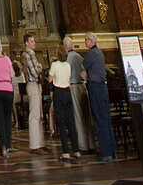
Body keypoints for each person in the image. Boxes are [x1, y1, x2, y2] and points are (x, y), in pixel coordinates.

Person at [83, 33, 116, 162]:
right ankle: (111, 150)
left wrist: (84, 73)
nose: (85, 42)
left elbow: (83, 68)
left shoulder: (91, 54)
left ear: (90, 41)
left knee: (99, 118)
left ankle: (106, 152)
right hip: (103, 87)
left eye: (86, 40)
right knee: (106, 118)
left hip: (96, 87)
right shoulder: (100, 53)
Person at [63, 36, 95, 153]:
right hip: (83, 86)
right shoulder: (79, 56)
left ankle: (83, 146)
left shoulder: (68, 59)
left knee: (78, 117)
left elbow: (67, 75)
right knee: (87, 116)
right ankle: (91, 144)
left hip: (74, 87)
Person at [48, 46, 80, 160]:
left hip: (58, 93)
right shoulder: (67, 65)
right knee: (71, 122)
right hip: (67, 92)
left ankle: (66, 151)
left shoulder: (54, 65)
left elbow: (50, 79)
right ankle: (76, 150)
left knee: (61, 123)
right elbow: (69, 80)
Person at [21, 32, 47, 154]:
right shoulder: (27, 55)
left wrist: (39, 68)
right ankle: (34, 144)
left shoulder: (33, 55)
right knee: (34, 116)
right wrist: (39, 68)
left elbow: (39, 69)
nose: (34, 43)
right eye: (32, 41)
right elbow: (36, 72)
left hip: (37, 86)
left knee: (39, 115)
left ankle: (41, 143)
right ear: (26, 43)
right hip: (32, 85)